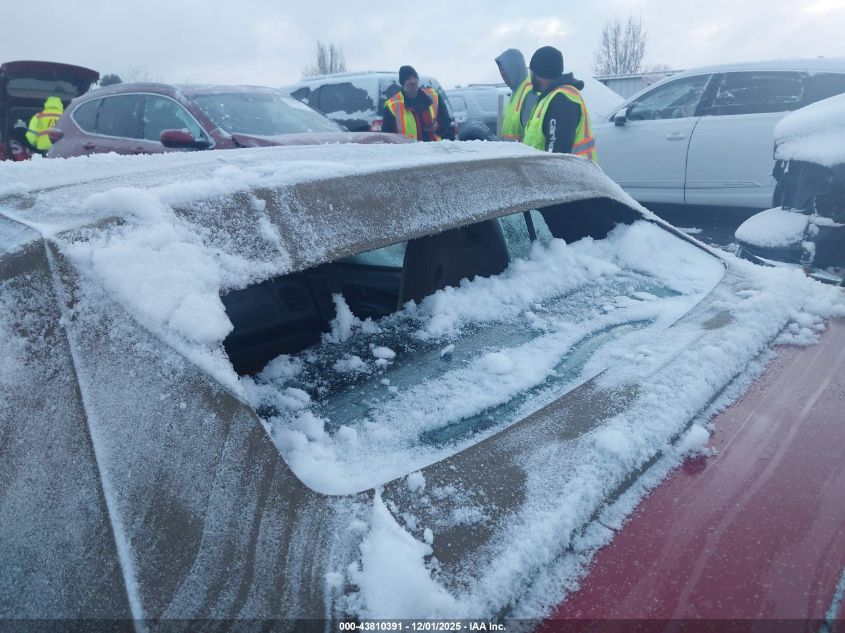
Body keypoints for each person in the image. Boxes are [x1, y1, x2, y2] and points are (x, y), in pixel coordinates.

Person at [522, 46, 596, 161]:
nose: (531, 78)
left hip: (573, 171)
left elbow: (556, 158)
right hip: (565, 170)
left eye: (533, 73)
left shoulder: (562, 100)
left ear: (543, 74)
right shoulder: (550, 97)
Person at [383, 66, 454, 142]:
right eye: (408, 79)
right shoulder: (392, 105)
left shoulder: (434, 96)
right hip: (410, 149)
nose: (413, 81)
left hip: (434, 147)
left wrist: (437, 127)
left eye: (414, 77)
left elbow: (447, 125)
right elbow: (387, 137)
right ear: (403, 83)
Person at [495, 49, 537, 142]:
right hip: (512, 150)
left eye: (503, 69)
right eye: (500, 70)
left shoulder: (530, 93)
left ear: (513, 69)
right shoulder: (516, 91)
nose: (501, 74)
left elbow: (531, 136)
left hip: (522, 151)